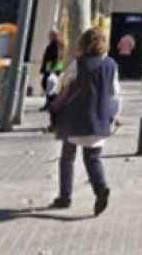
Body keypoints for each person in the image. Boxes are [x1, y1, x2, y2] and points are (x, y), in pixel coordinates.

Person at [49, 28, 120, 216]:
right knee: (93, 158)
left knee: (67, 158)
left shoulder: (78, 64)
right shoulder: (111, 65)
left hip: (76, 118)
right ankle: (100, 189)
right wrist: (113, 116)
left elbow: (64, 88)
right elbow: (115, 94)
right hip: (100, 119)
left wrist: (54, 107)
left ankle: (65, 196)